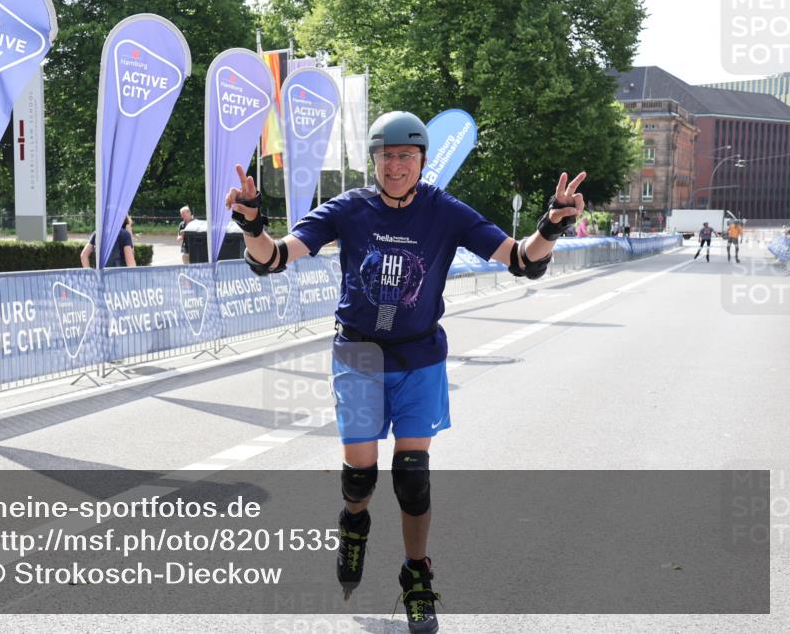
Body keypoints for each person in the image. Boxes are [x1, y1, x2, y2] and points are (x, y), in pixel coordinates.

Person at [225, 111, 584, 634]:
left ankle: (416, 576)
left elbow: (520, 260)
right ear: (374, 160)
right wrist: (253, 224)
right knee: (361, 477)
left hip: (420, 356)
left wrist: (551, 226)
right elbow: (276, 258)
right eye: (386, 156)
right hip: (360, 354)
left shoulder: (445, 211)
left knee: (412, 476)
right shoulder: (350, 209)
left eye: (406, 156)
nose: (395, 166)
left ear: (421, 160)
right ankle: (354, 523)